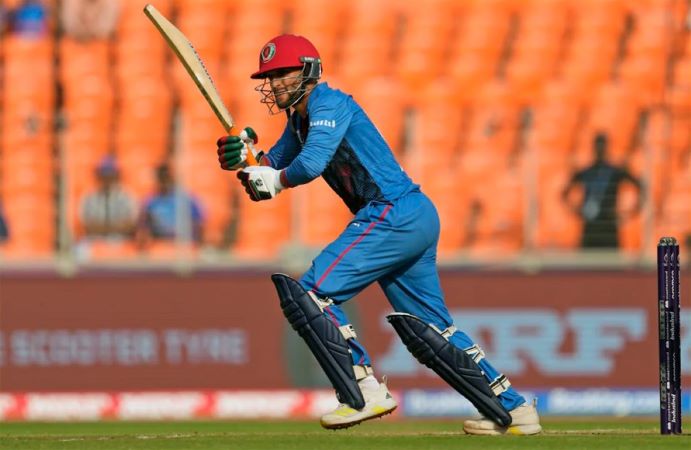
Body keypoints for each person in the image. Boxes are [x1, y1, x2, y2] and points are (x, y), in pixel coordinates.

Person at [214, 34, 541, 435]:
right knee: (431, 330)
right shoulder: (298, 121)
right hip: (411, 215)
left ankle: (364, 391)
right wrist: (245, 159)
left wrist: (275, 180)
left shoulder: (328, 103)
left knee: (312, 293)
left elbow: (308, 165)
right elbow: (266, 173)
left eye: (284, 73)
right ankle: (514, 408)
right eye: (270, 76)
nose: (275, 82)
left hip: (392, 212)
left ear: (309, 71)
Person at [562, 132, 644, 249]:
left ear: (606, 147)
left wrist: (631, 212)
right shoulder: (587, 172)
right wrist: (577, 210)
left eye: (601, 146)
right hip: (590, 228)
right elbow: (564, 193)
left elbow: (640, 187)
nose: (600, 149)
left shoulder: (615, 172)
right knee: (589, 260)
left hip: (609, 227)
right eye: (598, 146)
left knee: (610, 260)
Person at [136, 163, 204, 247]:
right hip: (158, 243)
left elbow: (199, 222)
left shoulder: (185, 199)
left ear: (171, 178)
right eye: (161, 178)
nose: (164, 182)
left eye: (166, 177)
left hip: (182, 243)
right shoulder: (150, 201)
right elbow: (142, 225)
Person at [79, 155, 137, 240]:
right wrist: (114, 227)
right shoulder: (89, 198)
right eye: (104, 175)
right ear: (98, 176)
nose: (107, 179)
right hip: (94, 240)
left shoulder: (127, 197)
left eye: (111, 175)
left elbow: (130, 225)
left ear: (117, 176)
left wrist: (104, 228)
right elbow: (88, 226)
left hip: (121, 241)